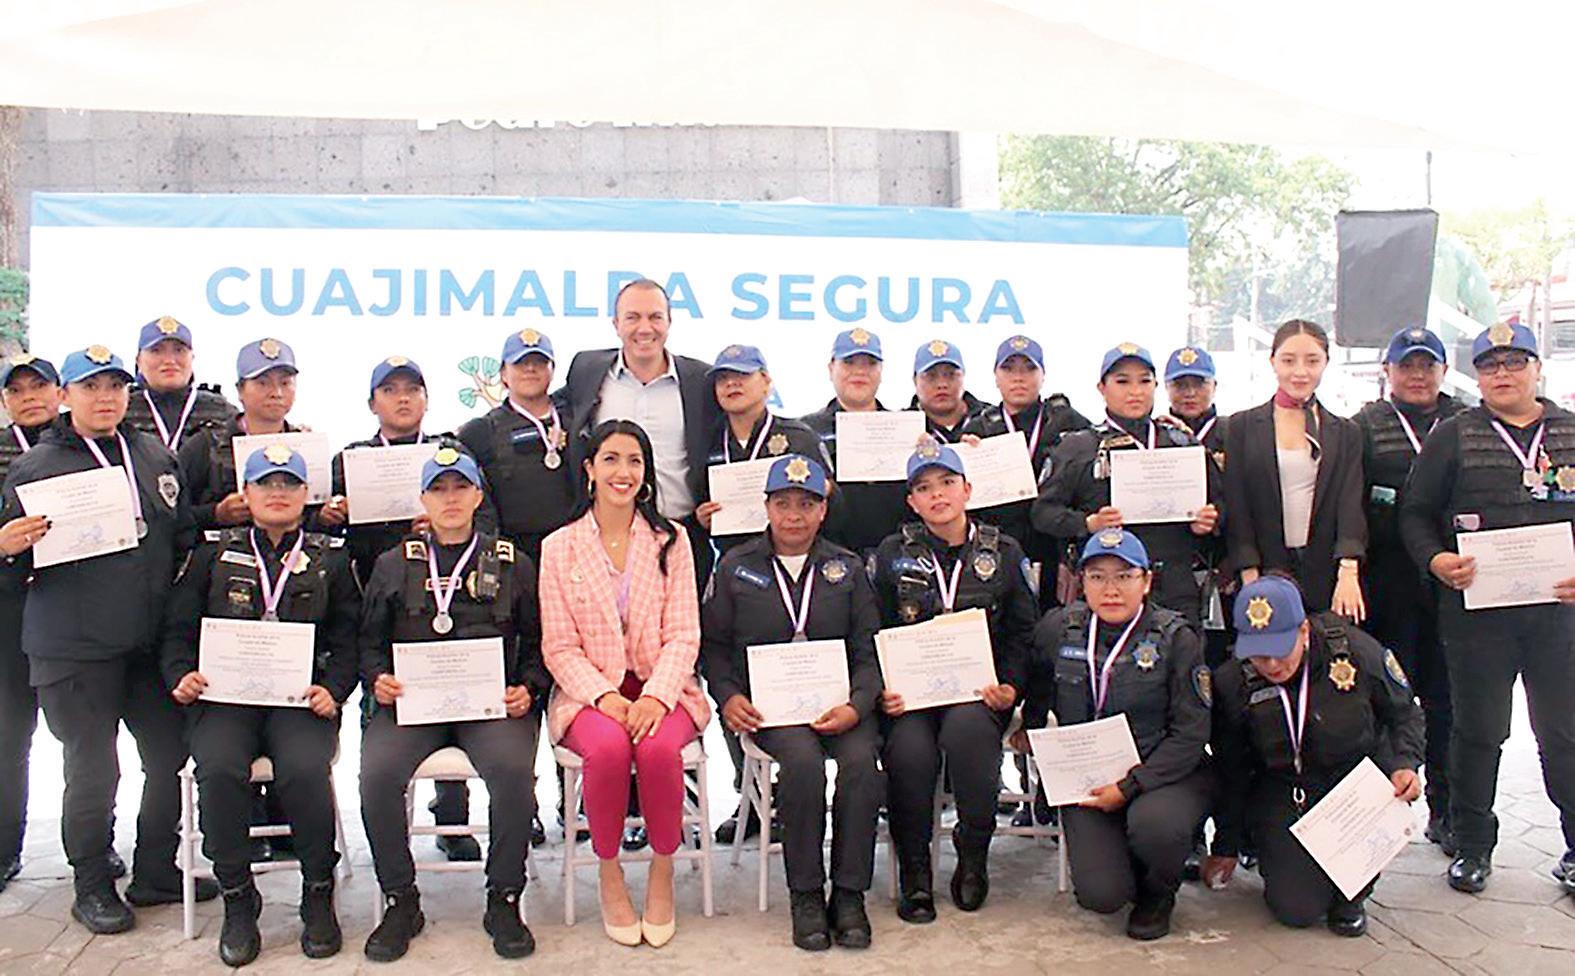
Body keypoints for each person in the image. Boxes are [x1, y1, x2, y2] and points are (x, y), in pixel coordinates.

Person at [0, 345, 215, 933]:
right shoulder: (36, 468)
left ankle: (155, 870)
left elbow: (182, 534)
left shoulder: (152, 454)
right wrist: (6, 549)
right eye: (90, 387)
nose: (104, 398)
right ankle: (92, 883)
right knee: (94, 768)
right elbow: (12, 572)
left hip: (145, 645)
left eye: (115, 387)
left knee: (169, 755)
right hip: (74, 646)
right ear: (64, 396)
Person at [161, 446, 359, 966]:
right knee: (219, 767)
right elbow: (177, 630)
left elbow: (349, 638)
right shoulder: (210, 553)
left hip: (300, 700)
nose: (277, 493)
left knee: (304, 767)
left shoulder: (331, 558)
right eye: (266, 484)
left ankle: (317, 891)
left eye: (289, 484)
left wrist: (334, 690)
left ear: (306, 494)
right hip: (225, 699)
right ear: (245, 494)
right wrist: (181, 676)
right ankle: (237, 896)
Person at [1399, 321, 1575, 895]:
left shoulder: (1570, 431)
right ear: (1476, 376)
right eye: (1490, 365)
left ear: (1537, 368)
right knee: (1478, 732)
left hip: (1558, 617)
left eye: (1514, 362)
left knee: (1564, 734)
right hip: (1478, 617)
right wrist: (1436, 560)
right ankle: (1473, 847)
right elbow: (1415, 513)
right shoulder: (1453, 435)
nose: (1503, 374)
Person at [358, 447, 547, 962]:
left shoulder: (512, 563)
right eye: (438, 489)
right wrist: (378, 679)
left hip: (490, 706)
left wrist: (528, 688)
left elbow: (538, 641)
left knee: (512, 771)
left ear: (478, 496)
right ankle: (401, 899)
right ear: (422, 499)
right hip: (414, 706)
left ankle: (503, 897)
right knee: (377, 774)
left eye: (460, 487)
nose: (450, 499)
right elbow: (368, 642)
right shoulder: (393, 564)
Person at [538, 419, 710, 948]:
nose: (623, 472)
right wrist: (606, 697)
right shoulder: (559, 547)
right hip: (590, 692)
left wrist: (656, 696)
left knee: (657, 750)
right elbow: (558, 647)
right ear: (589, 469)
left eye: (635, 461)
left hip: (665, 686)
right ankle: (609, 872)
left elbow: (685, 633)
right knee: (610, 750)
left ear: (647, 473)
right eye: (611, 459)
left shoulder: (672, 540)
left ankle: (662, 870)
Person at [701, 454, 882, 951]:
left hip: (841, 707)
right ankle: (806, 894)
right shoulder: (735, 567)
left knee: (862, 765)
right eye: (783, 503)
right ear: (766, 507)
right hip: (771, 711)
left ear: (823, 510)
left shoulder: (847, 568)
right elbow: (714, 647)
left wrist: (857, 705)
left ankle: (849, 894)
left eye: (807, 504)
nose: (794, 515)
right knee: (802, 765)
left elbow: (869, 650)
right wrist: (729, 696)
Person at [872, 441, 1035, 923]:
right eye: (924, 488)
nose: (937, 495)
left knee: (969, 733)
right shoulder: (891, 553)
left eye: (947, 483)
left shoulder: (1003, 552)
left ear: (967, 489)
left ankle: (973, 852)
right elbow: (871, 628)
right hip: (911, 697)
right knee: (909, 751)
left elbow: (1023, 632)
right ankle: (915, 872)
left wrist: (1012, 687)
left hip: (979, 693)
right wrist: (882, 689)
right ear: (911, 501)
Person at [1206, 575, 1424, 935]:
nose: (1271, 665)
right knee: (1296, 909)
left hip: (1354, 783)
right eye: (1259, 655)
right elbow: (1231, 768)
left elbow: (1405, 714)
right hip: (1284, 787)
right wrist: (1226, 844)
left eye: (1280, 651)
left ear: (1304, 631)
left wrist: (1405, 765)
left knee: (1346, 887)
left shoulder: (1355, 651)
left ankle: (1354, 894)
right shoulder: (1233, 682)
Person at [1021, 529, 1211, 940]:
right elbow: (1037, 686)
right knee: (1102, 895)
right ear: (1081, 582)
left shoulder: (1176, 638)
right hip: (1088, 778)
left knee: (1157, 827)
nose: (1111, 589)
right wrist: (1032, 735)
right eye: (1098, 577)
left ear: (1146, 581)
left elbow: (1191, 734)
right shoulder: (1059, 629)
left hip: (1161, 773)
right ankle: (1124, 866)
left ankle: (1158, 893)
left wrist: (1129, 786)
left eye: (1124, 577)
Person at [1353, 327, 1464, 854]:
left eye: (1427, 365)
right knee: (1386, 699)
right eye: (1406, 366)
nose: (1417, 375)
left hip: (1453, 584)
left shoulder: (1466, 422)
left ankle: (1447, 809)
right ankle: (1377, 810)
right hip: (1386, 583)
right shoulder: (1365, 426)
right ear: (1388, 372)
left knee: (1447, 701)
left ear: (1444, 370)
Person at [1032, 343, 1222, 624]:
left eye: (1144, 381)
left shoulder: (1182, 444)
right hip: (1107, 591)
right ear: (1102, 388)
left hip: (1175, 588)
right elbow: (1043, 513)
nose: (1135, 391)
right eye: (1122, 382)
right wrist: (1088, 523)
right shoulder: (1078, 447)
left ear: (1156, 386)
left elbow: (1222, 507)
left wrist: (1208, 522)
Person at [563, 279, 720, 590]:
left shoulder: (701, 380)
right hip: (603, 538)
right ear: (616, 324)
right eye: (633, 317)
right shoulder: (586, 369)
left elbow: (726, 440)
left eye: (655, 317)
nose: (644, 328)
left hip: (682, 536)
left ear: (669, 322)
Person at [1224, 320, 1366, 617]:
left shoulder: (1346, 432)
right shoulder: (1242, 426)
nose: (1300, 372)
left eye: (1312, 361)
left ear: (1326, 362)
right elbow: (1238, 504)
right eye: (1289, 361)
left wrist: (1348, 569)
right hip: (1266, 569)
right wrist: (1249, 573)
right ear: (1272, 361)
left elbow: (1350, 503)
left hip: (1326, 571)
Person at [0, 354, 65, 893]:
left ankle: (94, 850)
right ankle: (5, 850)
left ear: (60, 393)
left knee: (87, 744)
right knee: (9, 736)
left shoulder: (88, 447)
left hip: (73, 609)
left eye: (39, 386)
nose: (29, 397)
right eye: (16, 390)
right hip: (9, 612)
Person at [962, 334, 1090, 606]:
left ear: (1043, 375)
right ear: (995, 377)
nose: (1018, 378)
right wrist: (963, 456)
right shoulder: (978, 430)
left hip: (1056, 550)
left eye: (1029, 369)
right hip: (996, 552)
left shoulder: (1069, 421)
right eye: (1008, 369)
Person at [696, 343, 832, 559]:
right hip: (733, 565)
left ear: (766, 381)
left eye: (742, 375)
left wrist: (824, 488)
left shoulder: (799, 437)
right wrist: (702, 518)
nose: (731, 383)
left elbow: (837, 511)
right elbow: (697, 501)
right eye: (722, 378)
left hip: (795, 560)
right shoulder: (706, 442)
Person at [456, 329, 574, 569]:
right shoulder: (480, 431)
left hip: (573, 550)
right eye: (520, 363)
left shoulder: (578, 419)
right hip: (513, 557)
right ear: (503, 374)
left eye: (539, 362)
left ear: (552, 370)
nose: (530, 369)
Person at [801, 328, 910, 562]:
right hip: (827, 559)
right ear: (831, 368)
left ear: (881, 371)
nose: (860, 371)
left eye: (870, 363)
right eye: (849, 362)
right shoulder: (805, 432)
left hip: (900, 558)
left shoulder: (907, 428)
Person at [180, 337, 304, 531]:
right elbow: (171, 515)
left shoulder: (304, 445)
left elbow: (315, 515)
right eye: (263, 383)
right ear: (240, 390)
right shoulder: (206, 444)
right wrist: (215, 514)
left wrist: (326, 515)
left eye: (285, 383)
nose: (276, 393)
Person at [122, 316, 236, 453]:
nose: (169, 360)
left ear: (192, 357)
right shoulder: (122, 411)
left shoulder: (221, 411)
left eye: (179, 350)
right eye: (156, 350)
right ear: (139, 361)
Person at [909, 339, 985, 442]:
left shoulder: (992, 420)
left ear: (963, 376)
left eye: (951, 375)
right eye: (931, 376)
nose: (942, 384)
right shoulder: (902, 426)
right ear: (915, 381)